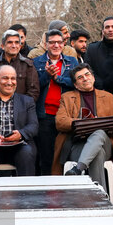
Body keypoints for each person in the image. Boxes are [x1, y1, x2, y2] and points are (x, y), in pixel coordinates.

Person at [53, 64, 113, 191]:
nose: (85, 79)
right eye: (80, 77)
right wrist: (82, 124)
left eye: (87, 75)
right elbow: (60, 121)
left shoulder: (108, 96)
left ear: (93, 78)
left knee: (99, 133)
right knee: (97, 153)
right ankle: (100, 199)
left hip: (105, 143)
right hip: (77, 145)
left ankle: (78, 169)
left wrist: (106, 125)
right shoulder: (67, 97)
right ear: (75, 84)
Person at [33, 29, 78, 175]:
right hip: (44, 114)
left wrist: (57, 78)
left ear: (64, 44)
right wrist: (47, 75)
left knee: (64, 154)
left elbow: (76, 82)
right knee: (46, 156)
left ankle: (63, 189)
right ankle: (46, 191)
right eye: (52, 42)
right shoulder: (37, 62)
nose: (56, 45)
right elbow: (34, 86)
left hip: (65, 114)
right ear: (46, 44)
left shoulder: (72, 61)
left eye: (59, 42)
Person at [0, 30, 40, 101]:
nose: (14, 46)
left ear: (20, 46)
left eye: (16, 42)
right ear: (2, 46)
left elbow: (33, 91)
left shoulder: (28, 65)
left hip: (21, 109)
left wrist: (19, 106)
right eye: (10, 42)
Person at [86, 16, 113, 89]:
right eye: (107, 27)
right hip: (100, 92)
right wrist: (102, 85)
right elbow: (88, 70)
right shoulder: (92, 49)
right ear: (103, 31)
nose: (110, 30)